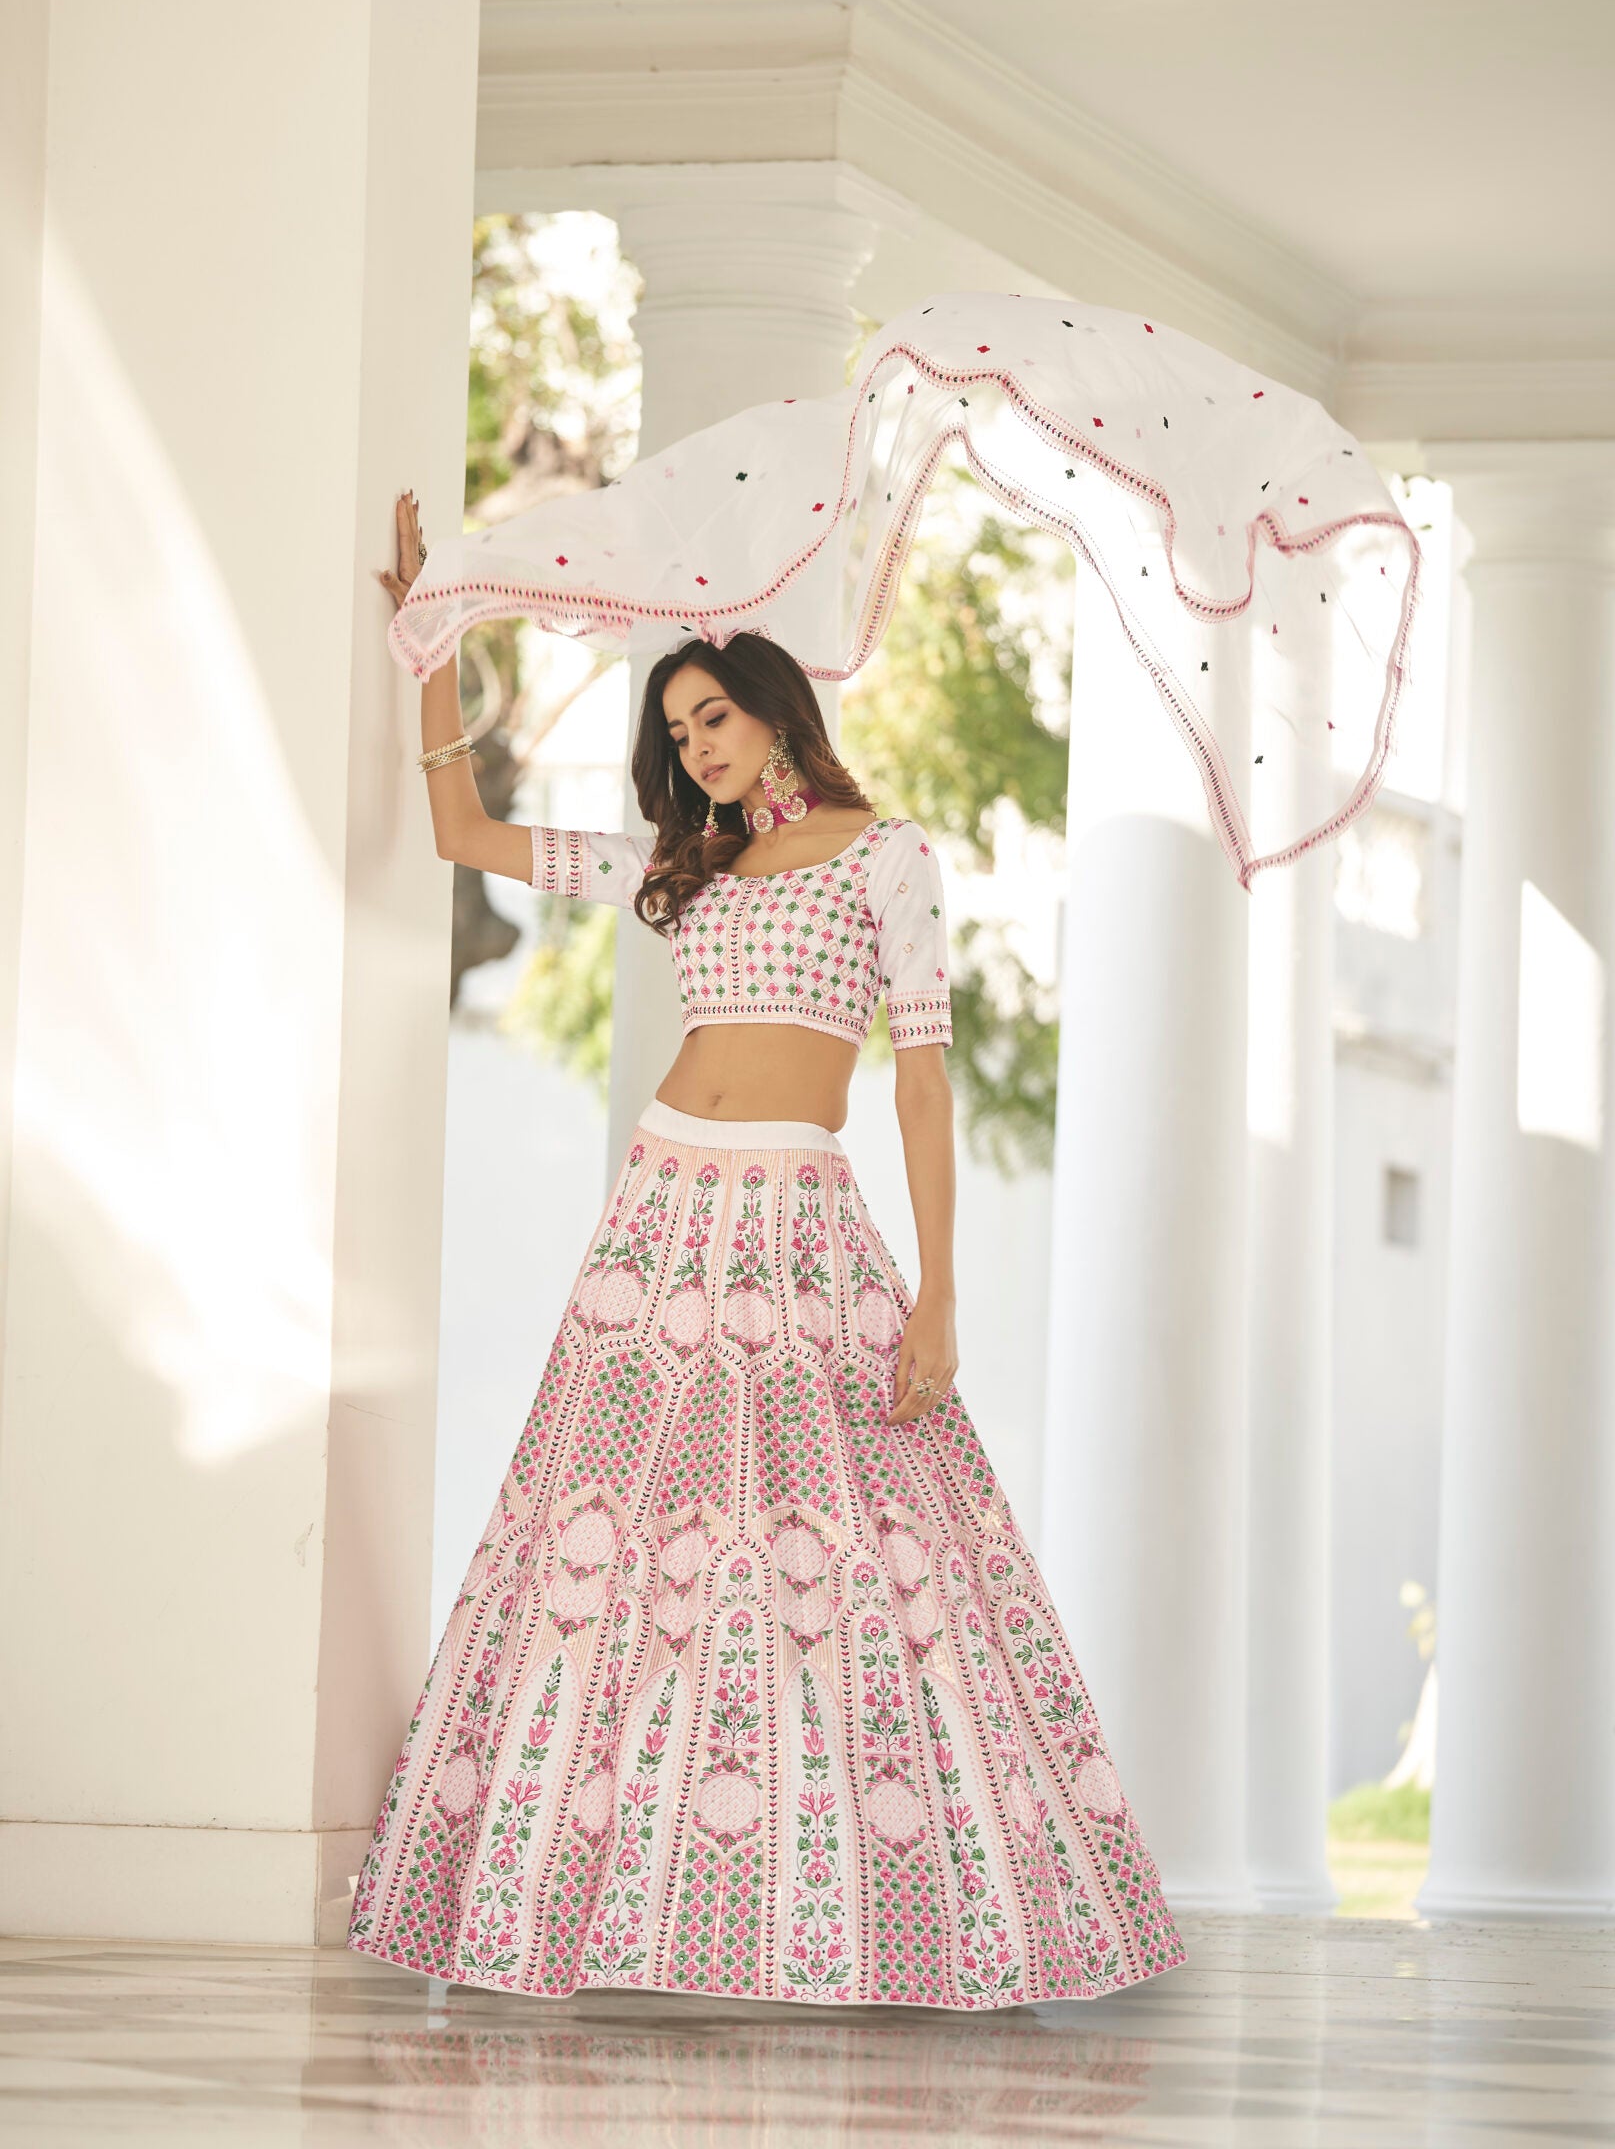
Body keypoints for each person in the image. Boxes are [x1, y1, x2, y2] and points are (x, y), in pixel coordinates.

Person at [348, 490, 1186, 2009]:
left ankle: (872, 1907)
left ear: (778, 709)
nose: (696, 749)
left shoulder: (890, 858)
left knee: (841, 1548)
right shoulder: (677, 866)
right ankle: (603, 1896)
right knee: (609, 1543)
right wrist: (437, 644)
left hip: (801, 1221)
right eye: (678, 733)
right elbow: (463, 832)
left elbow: (920, 1083)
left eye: (714, 718)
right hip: (660, 1219)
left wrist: (939, 1292)